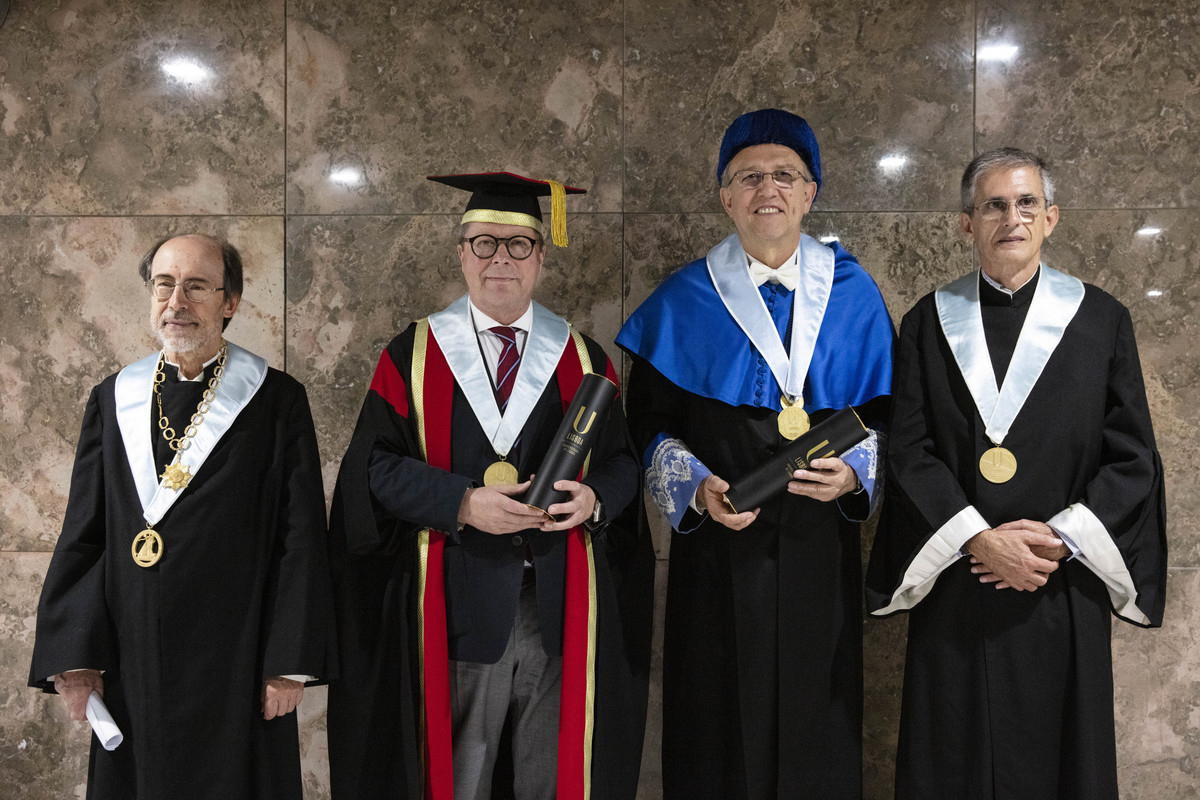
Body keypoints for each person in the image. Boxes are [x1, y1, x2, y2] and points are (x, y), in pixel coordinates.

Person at [327, 172, 653, 800]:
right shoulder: (412, 354)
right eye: (484, 243)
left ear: (541, 257)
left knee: (548, 772)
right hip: (455, 598)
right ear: (460, 253)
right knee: (459, 772)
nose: (500, 258)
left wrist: (594, 499)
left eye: (518, 244)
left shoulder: (585, 358)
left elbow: (622, 464)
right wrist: (462, 502)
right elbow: (374, 470)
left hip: (560, 602)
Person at [866, 148, 1168, 799]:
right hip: (960, 580)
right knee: (955, 757)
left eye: (1026, 202)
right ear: (965, 223)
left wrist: (1057, 540)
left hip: (1059, 581)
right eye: (994, 204)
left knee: (1061, 760)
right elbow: (910, 449)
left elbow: (1133, 456)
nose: (1012, 216)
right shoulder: (927, 322)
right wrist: (980, 538)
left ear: (1051, 217)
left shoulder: (1102, 321)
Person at [616, 109, 894, 799]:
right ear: (725, 196)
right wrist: (693, 485)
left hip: (819, 550)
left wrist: (856, 472)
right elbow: (645, 424)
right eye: (748, 176)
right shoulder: (683, 301)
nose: (766, 188)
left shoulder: (856, 297)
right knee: (716, 736)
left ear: (810, 192)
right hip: (717, 556)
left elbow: (893, 420)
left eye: (783, 175)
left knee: (819, 730)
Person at [28, 234, 335, 799]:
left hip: (238, 658)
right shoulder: (112, 398)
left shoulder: (277, 401)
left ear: (230, 302)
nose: (176, 302)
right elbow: (85, 532)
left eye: (196, 287)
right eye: (164, 285)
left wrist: (289, 662)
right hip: (133, 655)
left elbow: (302, 538)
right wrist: (75, 655)